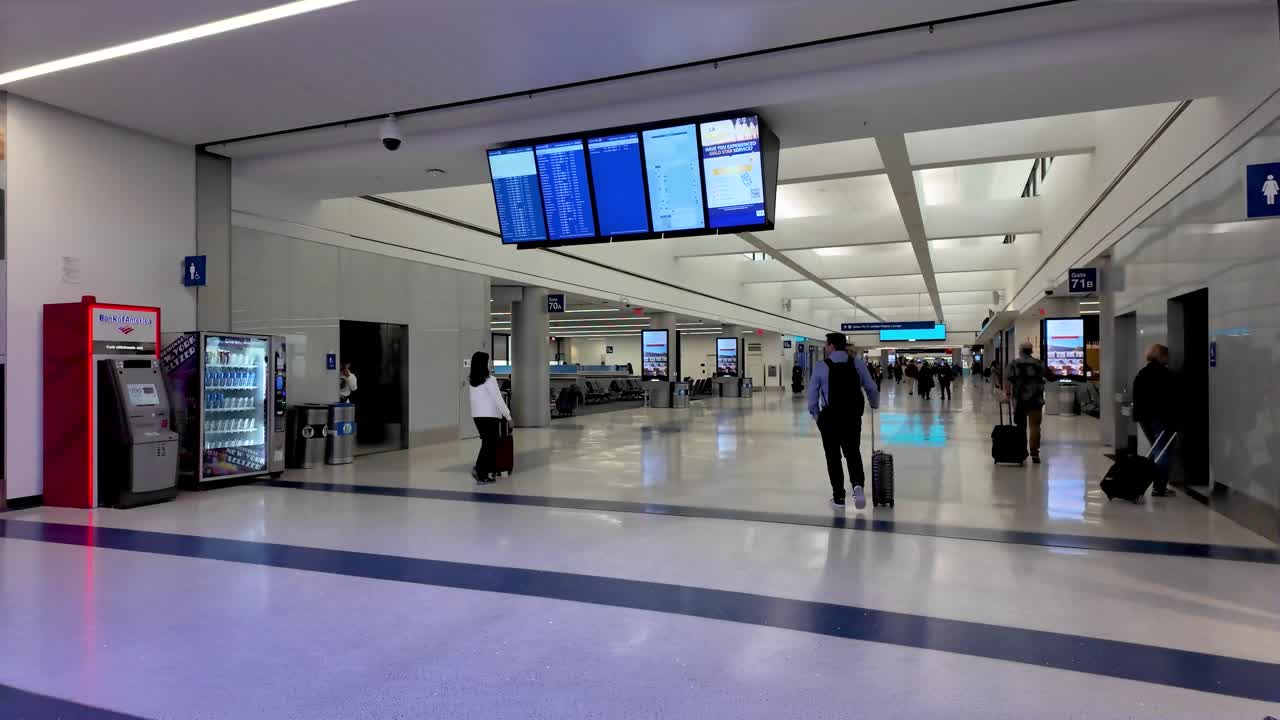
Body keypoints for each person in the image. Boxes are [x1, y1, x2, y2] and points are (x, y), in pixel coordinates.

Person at [808, 333, 880, 510]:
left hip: (830, 417)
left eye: (826, 345)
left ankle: (839, 497)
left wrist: (818, 417)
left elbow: (812, 398)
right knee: (852, 452)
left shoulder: (821, 366)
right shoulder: (857, 363)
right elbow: (871, 387)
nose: (825, 347)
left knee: (833, 457)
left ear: (831, 346)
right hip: (852, 417)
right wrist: (874, 403)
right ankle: (858, 487)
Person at [1132, 343, 1177, 497]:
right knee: (1163, 452)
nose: (1169, 358)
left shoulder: (1142, 373)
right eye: (1166, 355)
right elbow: (1171, 399)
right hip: (1161, 418)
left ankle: (1140, 483)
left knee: (1156, 449)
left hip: (1144, 418)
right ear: (1161, 356)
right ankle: (1159, 488)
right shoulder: (1165, 375)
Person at [468, 351, 513, 484]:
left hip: (477, 417)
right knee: (490, 444)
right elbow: (498, 399)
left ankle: (484, 470)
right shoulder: (490, 380)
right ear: (484, 364)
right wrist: (508, 416)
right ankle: (480, 471)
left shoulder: (472, 380)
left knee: (487, 443)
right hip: (489, 417)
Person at [1005, 342, 1047, 464]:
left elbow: (1008, 380)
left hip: (1020, 401)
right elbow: (1048, 376)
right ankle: (1035, 453)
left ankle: (1021, 451)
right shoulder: (1039, 363)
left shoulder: (1014, 363)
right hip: (1036, 400)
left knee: (1020, 427)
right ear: (1031, 350)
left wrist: (1007, 394)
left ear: (1021, 350)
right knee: (1035, 427)